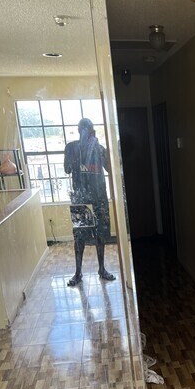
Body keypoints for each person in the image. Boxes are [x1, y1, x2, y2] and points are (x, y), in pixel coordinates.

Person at [64, 117, 115, 286]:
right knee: (79, 236)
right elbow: (67, 169)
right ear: (78, 131)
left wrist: (109, 150)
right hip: (80, 199)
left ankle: (101, 268)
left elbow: (111, 168)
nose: (85, 132)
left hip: (99, 198)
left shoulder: (100, 149)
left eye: (88, 129)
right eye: (82, 129)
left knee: (100, 234)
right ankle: (78, 273)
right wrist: (77, 155)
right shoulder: (71, 148)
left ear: (92, 131)